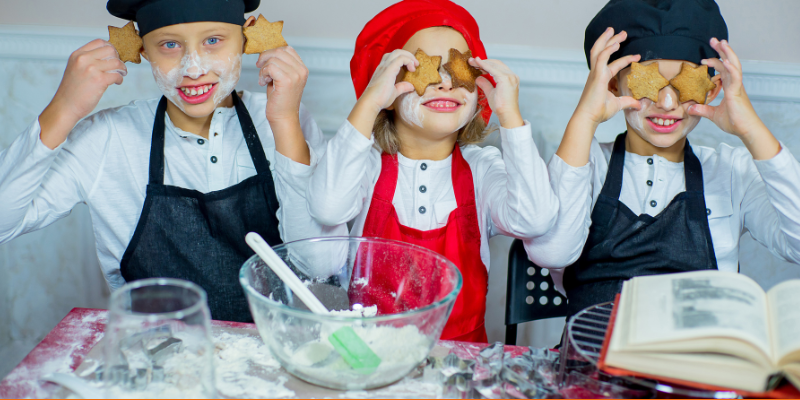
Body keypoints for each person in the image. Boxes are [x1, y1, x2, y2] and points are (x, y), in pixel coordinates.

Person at [0, 0, 342, 322]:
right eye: (169, 45)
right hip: (161, 357)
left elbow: (320, 265)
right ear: (142, 48)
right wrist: (64, 108)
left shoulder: (283, 120)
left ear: (247, 38)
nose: (193, 68)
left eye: (213, 40)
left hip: (279, 353)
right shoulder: (107, 138)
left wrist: (285, 123)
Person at [525, 0, 800, 319]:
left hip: (697, 361)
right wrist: (585, 118)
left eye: (685, 85)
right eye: (649, 84)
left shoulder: (730, 171)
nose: (667, 103)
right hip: (592, 362)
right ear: (614, 85)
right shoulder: (586, 166)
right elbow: (552, 254)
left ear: (712, 90)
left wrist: (751, 129)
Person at [307, 0, 558, 342]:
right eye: (424, 67)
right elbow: (327, 206)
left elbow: (535, 218)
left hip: (460, 364)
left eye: (459, 70)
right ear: (388, 91)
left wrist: (509, 116)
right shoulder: (367, 166)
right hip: (374, 359)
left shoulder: (481, 171)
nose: (445, 83)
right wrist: (368, 102)